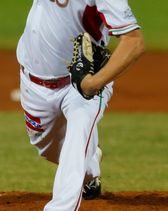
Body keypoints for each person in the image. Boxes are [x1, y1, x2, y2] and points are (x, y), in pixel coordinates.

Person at [17, 0, 144, 210]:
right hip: (34, 84)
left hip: (81, 83)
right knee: (50, 149)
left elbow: (134, 41)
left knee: (76, 140)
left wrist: (94, 83)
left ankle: (60, 207)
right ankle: (90, 166)